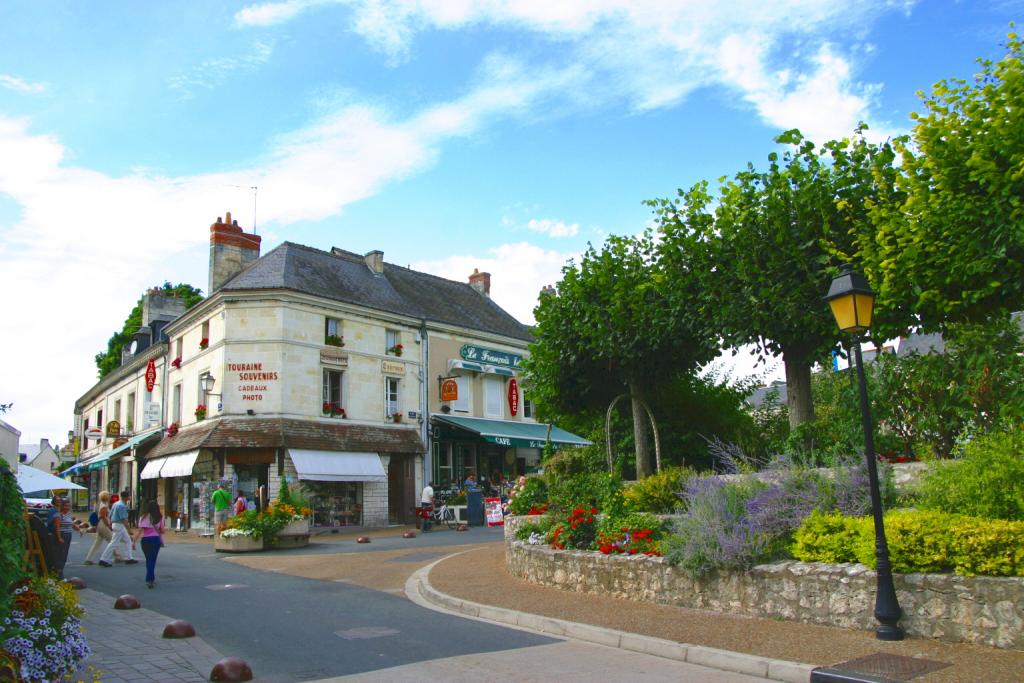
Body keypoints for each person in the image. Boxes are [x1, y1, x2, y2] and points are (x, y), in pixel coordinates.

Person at [132, 500, 166, 589]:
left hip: (145, 540)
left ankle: (150, 577)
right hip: (155, 540)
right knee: (152, 560)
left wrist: (134, 542)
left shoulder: (143, 517)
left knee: (148, 559)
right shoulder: (160, 517)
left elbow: (139, 531)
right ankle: (150, 579)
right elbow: (162, 531)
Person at [99, 490, 137, 567]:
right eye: (129, 496)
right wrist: (129, 530)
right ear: (127, 498)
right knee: (114, 543)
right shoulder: (122, 506)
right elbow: (124, 519)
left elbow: (110, 515)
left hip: (116, 524)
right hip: (119, 525)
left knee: (127, 540)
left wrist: (110, 524)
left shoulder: (115, 504)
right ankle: (103, 559)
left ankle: (129, 558)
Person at [51, 499, 84, 579]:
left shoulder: (67, 515)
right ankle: (58, 574)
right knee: (60, 555)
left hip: (68, 536)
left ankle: (59, 573)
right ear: (61, 506)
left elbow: (72, 525)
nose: (67, 508)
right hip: (62, 536)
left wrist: (79, 530)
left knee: (64, 555)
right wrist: (59, 538)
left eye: (68, 506)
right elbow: (57, 528)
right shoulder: (58, 515)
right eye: (65, 506)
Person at [83, 490, 119, 565]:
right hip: (103, 524)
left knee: (98, 542)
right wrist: (108, 525)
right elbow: (103, 516)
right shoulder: (104, 506)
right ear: (106, 497)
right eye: (108, 495)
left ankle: (89, 558)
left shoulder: (99, 504)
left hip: (99, 524)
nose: (109, 497)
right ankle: (117, 556)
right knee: (111, 540)